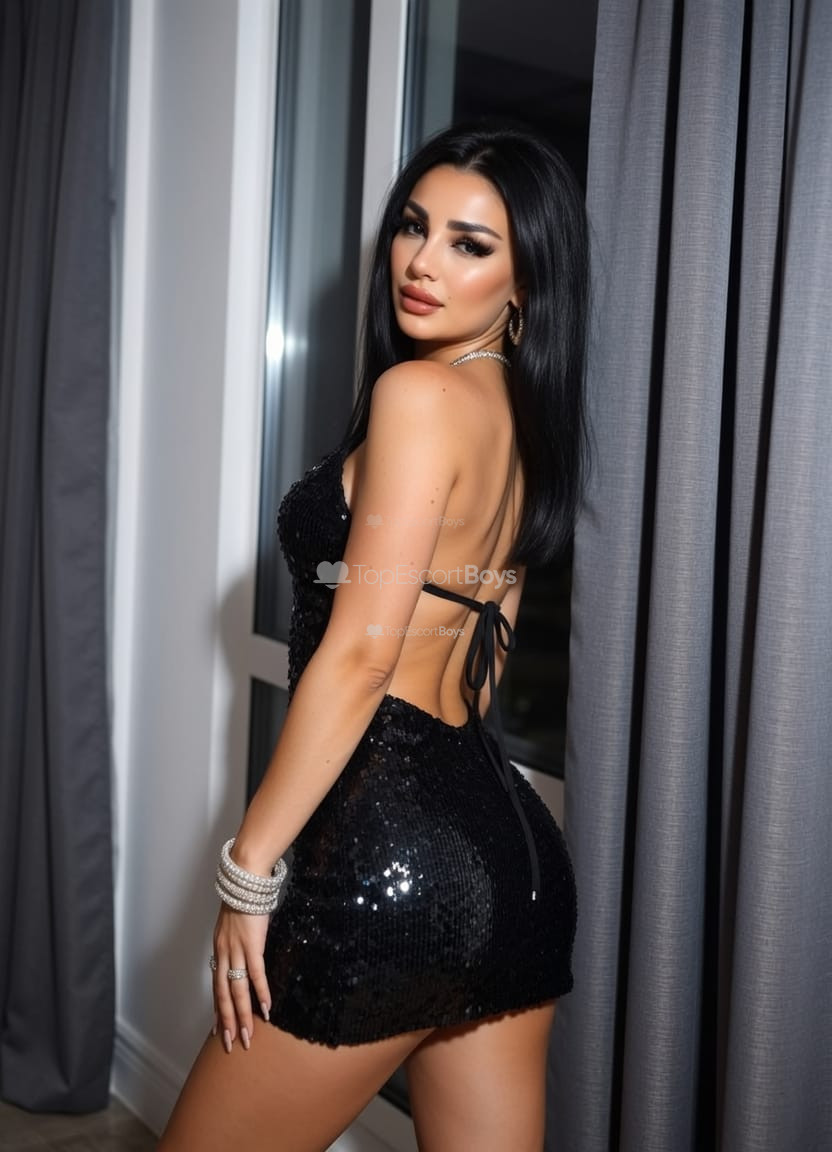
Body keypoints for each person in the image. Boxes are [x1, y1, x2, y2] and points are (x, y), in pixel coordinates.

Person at [159, 118, 589, 1152]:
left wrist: (251, 872)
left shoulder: (417, 395)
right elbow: (481, 663)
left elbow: (361, 656)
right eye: (412, 226)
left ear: (525, 285)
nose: (421, 262)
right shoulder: (523, 419)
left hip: (388, 859)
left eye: (468, 244)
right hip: (516, 861)